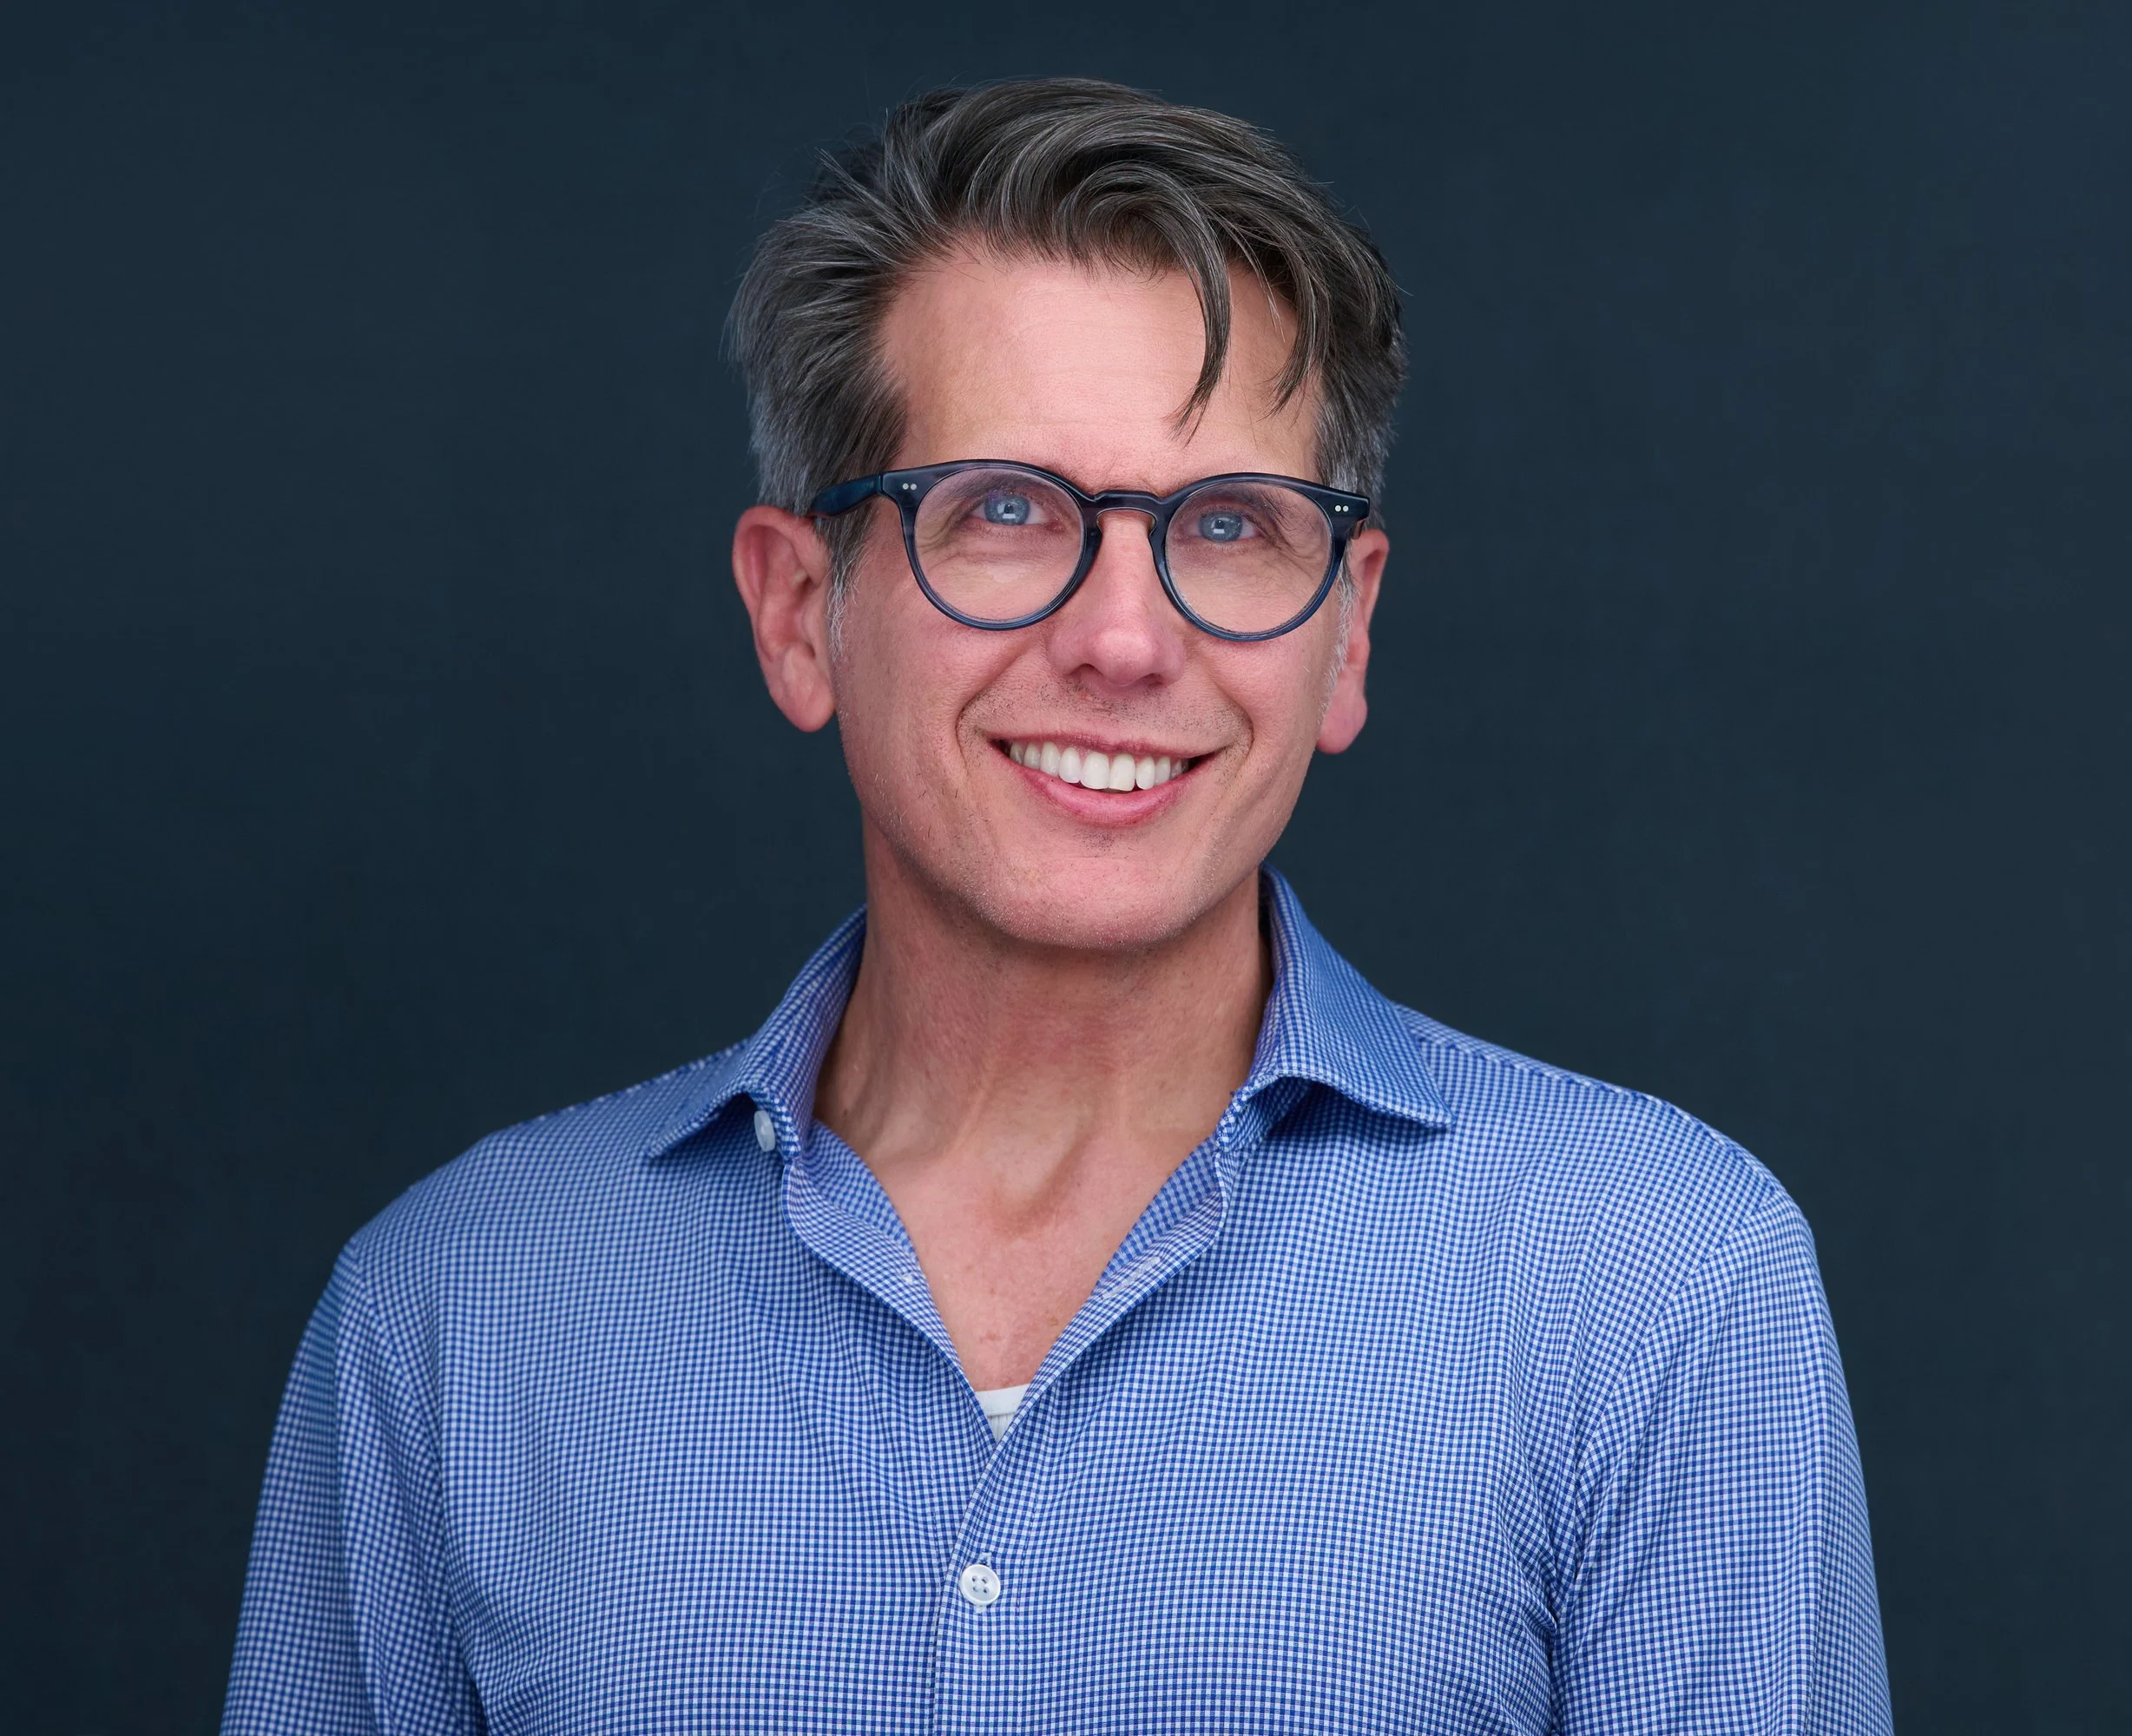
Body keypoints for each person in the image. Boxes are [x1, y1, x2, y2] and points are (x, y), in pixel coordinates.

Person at [222, 78, 1891, 1733]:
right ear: (799, 612)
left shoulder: (1659, 1289)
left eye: (1230, 526)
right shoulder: (454, 1316)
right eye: (1005, 512)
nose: (1124, 640)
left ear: (1347, 633)